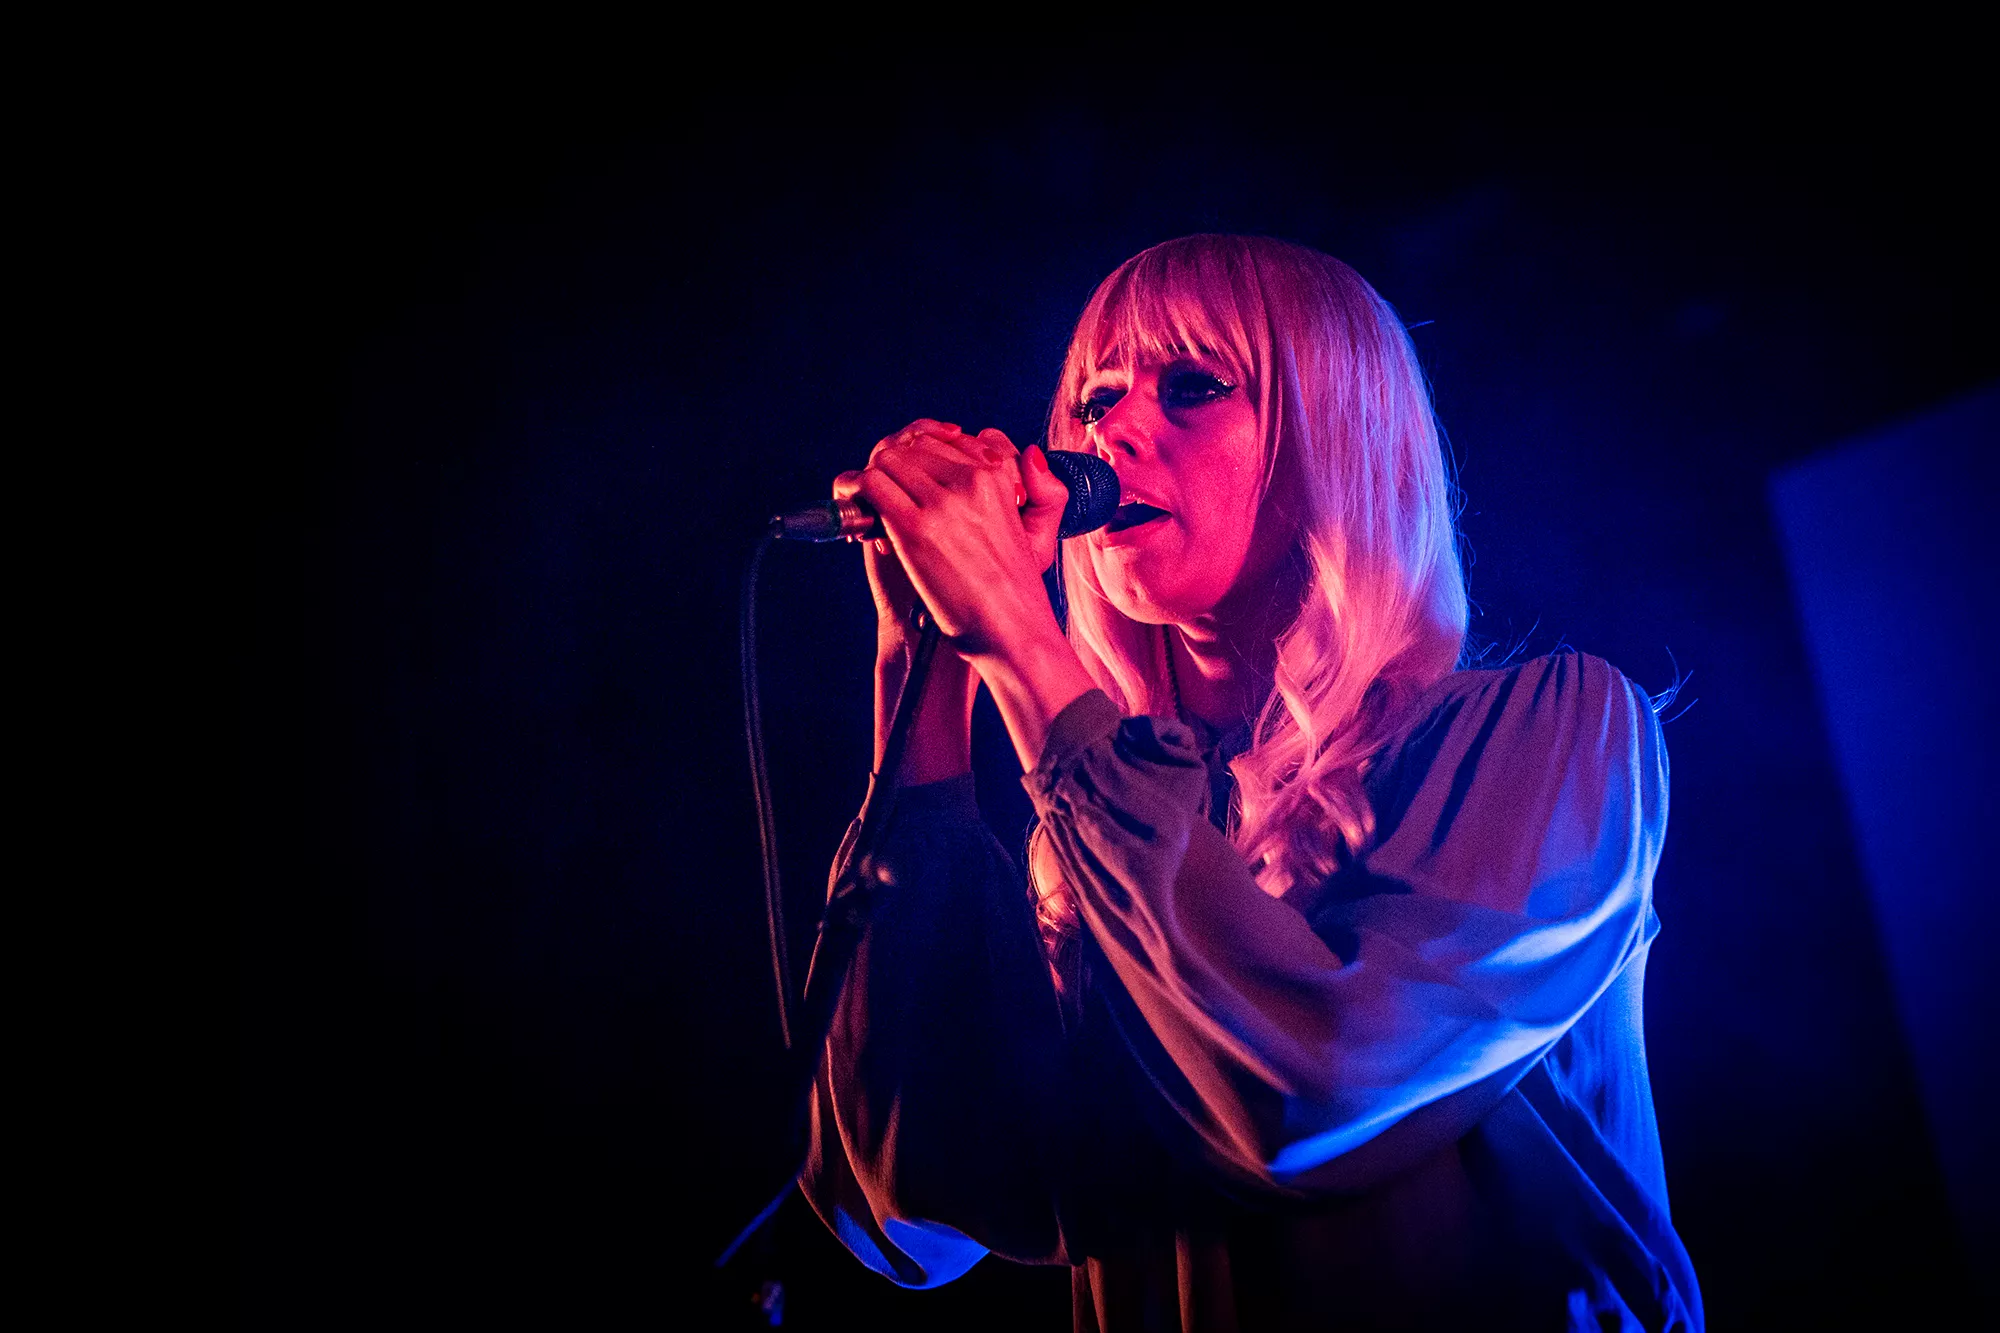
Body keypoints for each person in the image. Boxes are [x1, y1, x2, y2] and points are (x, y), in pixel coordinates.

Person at [802, 235, 1702, 1331]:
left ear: (1335, 437)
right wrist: (922, 667)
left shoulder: (1551, 734)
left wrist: (1019, 644)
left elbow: (1319, 1091)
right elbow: (919, 1204)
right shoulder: (1101, 837)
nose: (1113, 433)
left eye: (1191, 387)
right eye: (1094, 401)